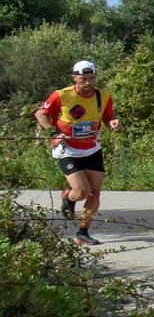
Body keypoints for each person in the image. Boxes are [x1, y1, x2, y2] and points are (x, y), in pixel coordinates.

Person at [35, 60, 122, 246]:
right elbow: (40, 114)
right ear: (75, 78)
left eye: (92, 78)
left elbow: (107, 117)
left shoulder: (103, 96)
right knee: (82, 191)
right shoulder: (61, 95)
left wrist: (113, 122)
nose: (88, 83)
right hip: (68, 149)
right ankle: (68, 197)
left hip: (92, 148)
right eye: (83, 79)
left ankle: (83, 233)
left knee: (95, 193)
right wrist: (54, 132)